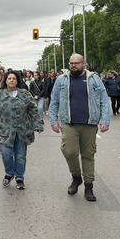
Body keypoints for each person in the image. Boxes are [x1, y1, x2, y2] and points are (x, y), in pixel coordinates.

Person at [48, 54, 110, 202]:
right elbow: (54, 100)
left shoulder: (94, 79)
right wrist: (53, 120)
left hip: (89, 123)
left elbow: (104, 100)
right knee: (69, 151)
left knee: (88, 155)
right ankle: (76, 177)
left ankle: (89, 187)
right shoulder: (61, 80)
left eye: (76, 63)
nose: (73, 66)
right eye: (71, 63)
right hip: (69, 123)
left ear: (84, 64)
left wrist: (105, 120)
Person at [0, 71, 43, 189]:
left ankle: (19, 177)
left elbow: (33, 110)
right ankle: (9, 173)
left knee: (20, 156)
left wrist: (38, 124)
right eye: (9, 78)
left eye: (14, 78)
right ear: (5, 81)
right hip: (5, 130)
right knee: (6, 154)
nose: (11, 80)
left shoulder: (24, 94)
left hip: (22, 130)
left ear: (17, 81)